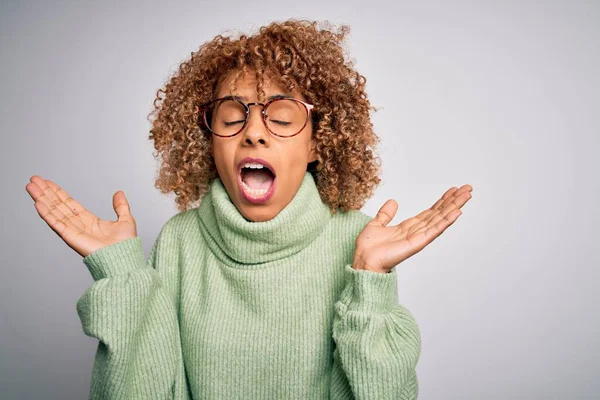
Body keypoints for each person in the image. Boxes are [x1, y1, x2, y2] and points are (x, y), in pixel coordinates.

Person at [25, 19, 472, 400]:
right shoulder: (181, 240)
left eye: (280, 117)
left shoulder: (359, 244)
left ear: (317, 142)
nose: (254, 132)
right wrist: (122, 276)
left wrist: (370, 281)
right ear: (210, 141)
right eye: (231, 116)